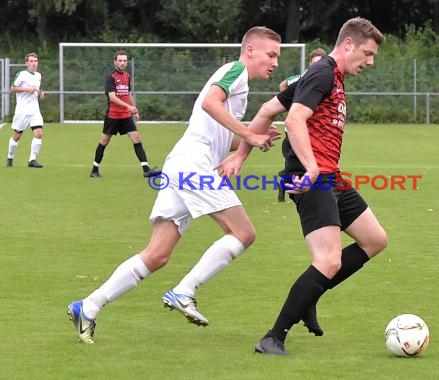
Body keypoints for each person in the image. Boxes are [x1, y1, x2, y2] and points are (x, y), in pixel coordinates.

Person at [67, 26, 281, 344]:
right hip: (193, 165)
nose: (275, 62)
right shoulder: (235, 70)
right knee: (244, 233)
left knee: (157, 255)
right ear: (250, 50)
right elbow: (211, 103)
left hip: (181, 164)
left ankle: (89, 305)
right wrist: (249, 134)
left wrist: (251, 138)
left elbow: (221, 132)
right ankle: (185, 291)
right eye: (271, 54)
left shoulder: (239, 83)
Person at [230, 17, 387, 356]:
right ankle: (273, 337)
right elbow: (294, 118)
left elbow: (269, 109)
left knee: (375, 240)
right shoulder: (322, 73)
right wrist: (312, 167)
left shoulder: (324, 75)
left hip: (329, 176)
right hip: (309, 177)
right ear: (348, 44)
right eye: (368, 53)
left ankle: (309, 297)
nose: (370, 62)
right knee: (328, 259)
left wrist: (242, 153)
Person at [89, 49, 157, 178]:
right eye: (120, 60)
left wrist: (134, 109)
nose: (122, 63)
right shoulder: (111, 77)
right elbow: (112, 97)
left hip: (125, 116)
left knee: (136, 139)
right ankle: (94, 170)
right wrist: (128, 107)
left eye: (125, 61)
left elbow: (128, 94)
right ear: (115, 62)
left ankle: (146, 169)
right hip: (113, 116)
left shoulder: (127, 76)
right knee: (104, 141)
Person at [276, 48, 327, 202]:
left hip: (312, 129)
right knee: (295, 162)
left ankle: (294, 183)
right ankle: (288, 183)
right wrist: (290, 105)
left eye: (319, 63)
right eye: (313, 64)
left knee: (310, 160)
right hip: (296, 127)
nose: (316, 66)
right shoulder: (300, 79)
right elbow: (283, 85)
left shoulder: (325, 79)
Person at [6, 52, 45, 168]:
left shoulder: (38, 75)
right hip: (22, 111)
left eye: (35, 61)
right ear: (26, 63)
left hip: (34, 111)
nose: (34, 63)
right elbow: (12, 88)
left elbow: (36, 90)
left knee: (39, 133)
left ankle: (32, 160)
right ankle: (10, 156)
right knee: (17, 136)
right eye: (31, 61)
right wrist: (27, 89)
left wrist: (40, 93)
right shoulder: (22, 74)